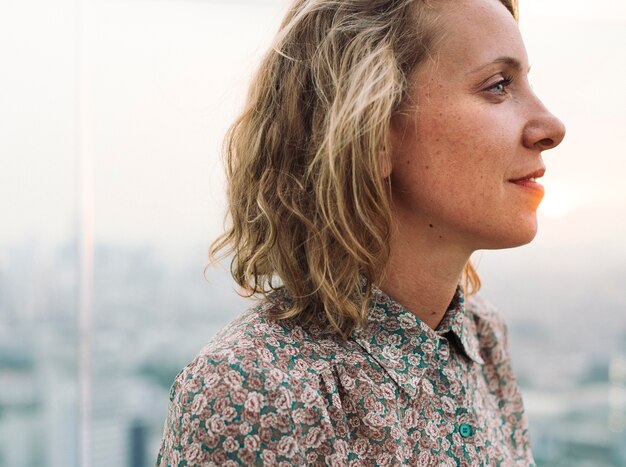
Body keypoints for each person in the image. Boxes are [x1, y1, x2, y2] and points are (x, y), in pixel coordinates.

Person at [157, 0, 565, 464]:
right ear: (370, 129)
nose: (551, 127)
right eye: (498, 86)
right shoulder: (252, 391)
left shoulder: (480, 337)